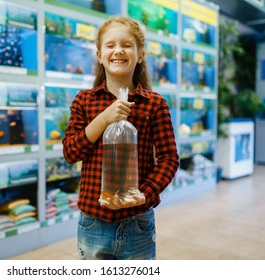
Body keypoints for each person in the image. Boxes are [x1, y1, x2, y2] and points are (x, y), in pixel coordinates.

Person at [62, 16, 179, 260]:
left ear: (140, 55)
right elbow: (71, 153)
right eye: (110, 45)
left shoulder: (154, 104)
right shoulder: (84, 101)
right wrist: (103, 119)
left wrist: (144, 193)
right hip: (93, 221)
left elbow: (169, 159)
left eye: (127, 45)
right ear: (99, 54)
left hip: (138, 222)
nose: (118, 50)